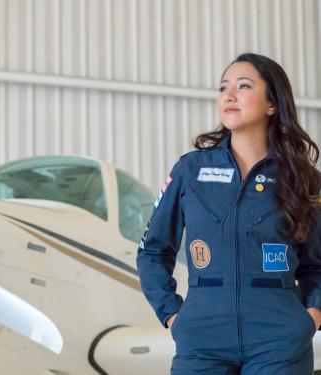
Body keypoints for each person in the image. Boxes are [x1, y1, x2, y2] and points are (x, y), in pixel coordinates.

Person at [137, 53, 321, 374]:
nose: (229, 95)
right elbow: (152, 250)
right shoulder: (190, 170)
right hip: (201, 339)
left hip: (279, 340)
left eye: (244, 86)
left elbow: (317, 264)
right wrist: (171, 314)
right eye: (224, 88)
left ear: (272, 104)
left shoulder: (303, 179)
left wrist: (313, 314)